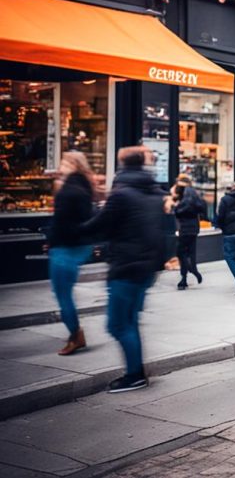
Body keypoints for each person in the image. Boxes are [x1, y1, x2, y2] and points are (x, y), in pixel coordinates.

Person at [79, 146, 165, 393]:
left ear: (122, 165)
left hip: (126, 268)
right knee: (130, 321)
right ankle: (135, 370)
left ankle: (134, 375)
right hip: (145, 269)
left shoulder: (122, 195)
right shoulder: (153, 192)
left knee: (117, 324)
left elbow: (98, 226)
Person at [47, 152, 97, 356]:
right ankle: (75, 334)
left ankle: (76, 335)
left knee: (62, 294)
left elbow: (63, 222)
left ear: (75, 165)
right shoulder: (83, 186)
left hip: (65, 248)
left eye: (66, 162)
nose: (62, 165)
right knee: (63, 293)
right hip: (75, 246)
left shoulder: (69, 191)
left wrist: (51, 239)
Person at [171, 175, 205, 290]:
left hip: (185, 228)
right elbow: (201, 208)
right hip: (194, 228)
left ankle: (191, 271)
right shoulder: (194, 194)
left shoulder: (186, 194)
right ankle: (184, 279)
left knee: (180, 252)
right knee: (190, 252)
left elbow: (180, 210)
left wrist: (175, 208)